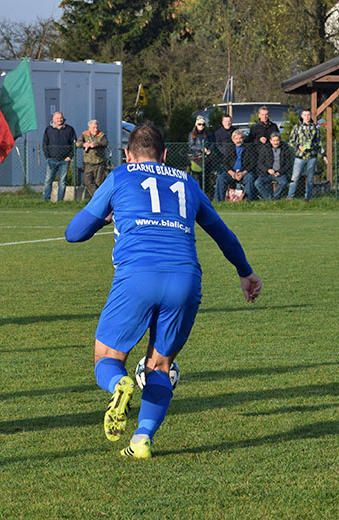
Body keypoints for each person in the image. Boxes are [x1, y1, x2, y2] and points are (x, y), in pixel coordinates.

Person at [65, 124, 261, 459]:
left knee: (107, 359)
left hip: (137, 275)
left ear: (128, 154)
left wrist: (106, 217)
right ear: (166, 155)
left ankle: (120, 384)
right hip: (185, 278)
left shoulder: (121, 176)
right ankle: (142, 438)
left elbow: (74, 233)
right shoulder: (187, 181)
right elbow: (223, 234)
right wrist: (246, 272)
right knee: (160, 365)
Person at [287, 108, 327, 201]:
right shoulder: (297, 127)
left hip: (311, 157)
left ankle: (307, 198)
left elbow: (319, 143)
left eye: (308, 115)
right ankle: (290, 197)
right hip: (299, 157)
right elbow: (291, 141)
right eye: (305, 115)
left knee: (310, 179)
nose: (307, 117)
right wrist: (298, 146)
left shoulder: (315, 127)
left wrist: (324, 155)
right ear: (302, 116)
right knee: (295, 178)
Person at [42, 111, 76, 202]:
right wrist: (47, 156)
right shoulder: (48, 130)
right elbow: (45, 144)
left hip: (64, 160)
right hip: (51, 159)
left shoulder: (69, 129)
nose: (59, 120)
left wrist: (70, 156)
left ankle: (60, 200)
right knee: (48, 180)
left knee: (62, 181)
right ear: (53, 119)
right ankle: (45, 199)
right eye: (57, 118)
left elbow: (74, 144)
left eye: (61, 118)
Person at [215, 129, 255, 201]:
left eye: (240, 138)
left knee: (250, 178)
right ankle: (219, 201)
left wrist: (243, 173)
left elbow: (252, 163)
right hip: (232, 173)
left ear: (243, 139)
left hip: (244, 173)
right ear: (233, 140)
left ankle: (249, 201)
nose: (238, 140)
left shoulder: (248, 148)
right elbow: (224, 162)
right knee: (221, 178)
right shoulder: (229, 148)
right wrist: (231, 173)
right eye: (236, 138)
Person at [254, 132, 291, 200]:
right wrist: (268, 170)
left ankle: (275, 197)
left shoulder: (284, 148)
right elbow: (260, 163)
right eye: (274, 141)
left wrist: (280, 172)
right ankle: (269, 198)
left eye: (277, 140)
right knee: (257, 183)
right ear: (270, 141)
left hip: (279, 173)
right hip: (267, 173)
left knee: (283, 182)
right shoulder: (265, 148)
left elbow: (288, 164)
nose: (275, 142)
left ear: (280, 140)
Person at [80, 119, 109, 197]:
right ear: (89, 128)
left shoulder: (101, 135)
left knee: (99, 182)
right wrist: (84, 144)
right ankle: (97, 196)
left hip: (99, 163)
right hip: (88, 163)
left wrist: (96, 144)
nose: (95, 129)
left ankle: (99, 198)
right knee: (87, 181)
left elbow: (105, 143)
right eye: (93, 128)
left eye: (96, 127)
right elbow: (78, 143)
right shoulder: (84, 134)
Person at [187, 116, 213, 194]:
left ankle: (206, 194)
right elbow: (191, 146)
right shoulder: (192, 134)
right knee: (197, 177)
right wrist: (201, 148)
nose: (201, 126)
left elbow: (212, 144)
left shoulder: (208, 133)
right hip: (196, 158)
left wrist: (209, 150)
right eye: (199, 124)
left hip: (206, 158)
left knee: (206, 177)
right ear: (196, 124)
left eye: (203, 124)